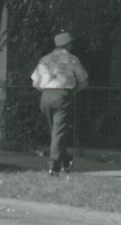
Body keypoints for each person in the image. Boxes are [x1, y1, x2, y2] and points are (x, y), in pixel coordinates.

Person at [30, 30, 90, 174]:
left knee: (55, 132)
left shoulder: (45, 59)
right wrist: (72, 91)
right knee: (58, 132)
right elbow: (84, 82)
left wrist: (46, 90)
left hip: (45, 96)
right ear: (68, 45)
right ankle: (54, 164)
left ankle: (66, 160)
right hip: (63, 95)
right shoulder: (72, 59)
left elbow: (35, 83)